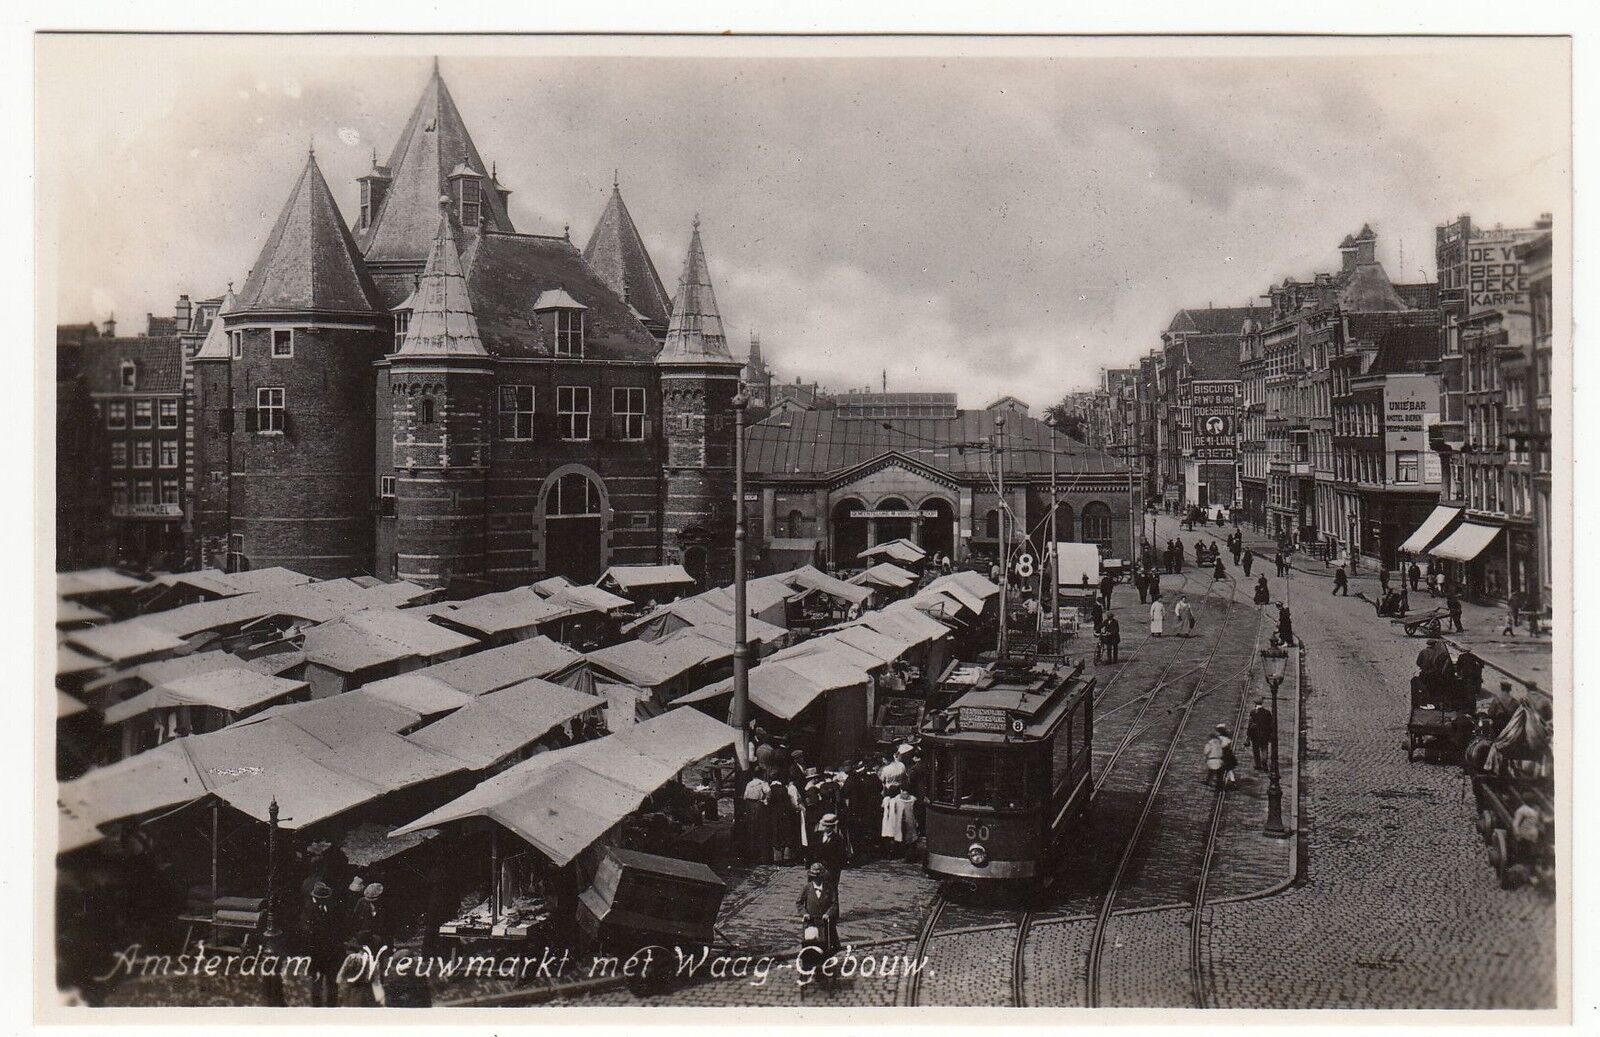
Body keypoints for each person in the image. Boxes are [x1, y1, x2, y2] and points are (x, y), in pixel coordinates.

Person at [300, 881, 344, 1007]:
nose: (323, 901)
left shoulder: (330, 908)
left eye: (325, 899)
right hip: (316, 953)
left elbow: (336, 929)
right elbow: (306, 933)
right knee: (317, 981)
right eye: (320, 899)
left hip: (331, 953)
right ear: (315, 897)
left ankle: (332, 1005)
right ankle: (317, 1007)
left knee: (332, 981)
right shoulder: (308, 910)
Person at [796, 862, 840, 951]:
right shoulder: (807, 888)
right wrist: (804, 913)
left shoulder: (829, 888)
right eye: (814, 878)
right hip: (811, 921)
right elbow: (799, 903)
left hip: (825, 922)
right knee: (810, 944)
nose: (817, 880)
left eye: (819, 877)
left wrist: (828, 913)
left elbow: (834, 903)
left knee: (826, 945)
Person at [808, 813, 850, 891]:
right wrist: (810, 865)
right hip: (815, 870)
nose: (824, 827)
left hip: (830, 871)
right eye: (824, 825)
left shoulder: (838, 839)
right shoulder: (816, 836)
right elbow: (810, 851)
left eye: (827, 826)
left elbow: (841, 857)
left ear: (832, 827)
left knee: (830, 892)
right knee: (814, 891)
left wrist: (834, 869)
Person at [743, 769, 773, 864]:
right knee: (761, 830)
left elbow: (745, 796)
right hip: (758, 806)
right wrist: (765, 801)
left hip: (749, 806)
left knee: (751, 830)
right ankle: (762, 856)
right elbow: (769, 793)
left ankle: (751, 855)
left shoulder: (749, 784)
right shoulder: (763, 783)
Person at [1245, 698, 1274, 770]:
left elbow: (1250, 725)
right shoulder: (1267, 712)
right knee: (1264, 748)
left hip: (1255, 735)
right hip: (1265, 735)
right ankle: (1264, 762)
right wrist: (1270, 734)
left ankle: (1258, 764)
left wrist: (1248, 735)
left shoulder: (1253, 712)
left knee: (1256, 750)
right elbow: (1271, 724)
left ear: (1255, 704)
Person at [1203, 724, 1235, 788]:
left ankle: (1231, 782)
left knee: (1221, 770)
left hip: (1223, 756)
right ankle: (1227, 782)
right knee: (1225, 770)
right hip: (1223, 756)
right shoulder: (1225, 737)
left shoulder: (1221, 738)